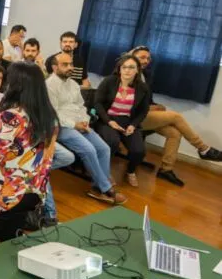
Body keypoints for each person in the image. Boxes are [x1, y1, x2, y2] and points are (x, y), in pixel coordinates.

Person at [0, 63, 58, 249]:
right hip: (30, 192)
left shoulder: (12, 118)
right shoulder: (49, 117)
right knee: (11, 244)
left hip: (0, 195)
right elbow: (48, 157)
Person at [129, 46, 221, 186]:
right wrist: (150, 107)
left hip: (145, 114)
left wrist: (155, 106)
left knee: (174, 133)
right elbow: (128, 104)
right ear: (132, 56)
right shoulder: (127, 73)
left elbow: (147, 99)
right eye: (142, 57)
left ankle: (166, 170)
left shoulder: (146, 75)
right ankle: (203, 148)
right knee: (176, 117)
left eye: (148, 58)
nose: (146, 60)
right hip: (131, 118)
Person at [47, 53, 127, 205]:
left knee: (104, 148)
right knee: (88, 150)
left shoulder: (73, 84)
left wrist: (85, 121)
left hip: (80, 124)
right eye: (65, 65)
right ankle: (106, 188)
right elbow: (53, 113)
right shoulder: (49, 85)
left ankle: (97, 188)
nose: (70, 68)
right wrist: (74, 125)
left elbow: (81, 106)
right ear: (54, 67)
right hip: (62, 127)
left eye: (71, 64)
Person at [94, 55, 151, 188]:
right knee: (112, 142)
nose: (127, 70)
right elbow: (98, 104)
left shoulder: (142, 88)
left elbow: (143, 110)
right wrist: (109, 122)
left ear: (137, 70)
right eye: (124, 67)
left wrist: (133, 125)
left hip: (128, 121)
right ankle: (105, 171)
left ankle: (130, 171)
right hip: (107, 119)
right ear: (119, 69)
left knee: (139, 150)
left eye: (131, 67)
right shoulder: (109, 81)